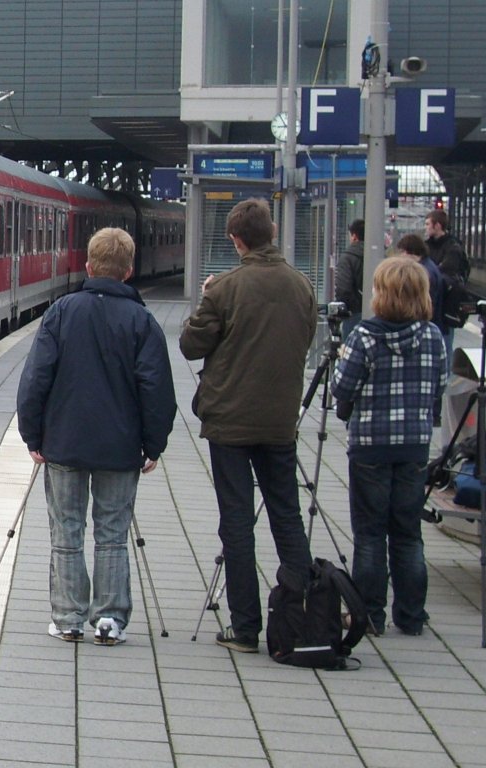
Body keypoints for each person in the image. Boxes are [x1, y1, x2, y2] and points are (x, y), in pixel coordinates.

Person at [17, 227, 176, 646]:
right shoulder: (142, 321)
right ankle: (109, 620)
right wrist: (154, 443)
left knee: (66, 531)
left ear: (88, 266)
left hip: (64, 444)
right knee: (112, 534)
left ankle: (68, 617)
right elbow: (156, 388)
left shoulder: (61, 312)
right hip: (121, 448)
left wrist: (32, 434)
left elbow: (36, 378)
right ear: (128, 271)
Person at [179, 197, 316, 654]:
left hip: (230, 424)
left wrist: (205, 298)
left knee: (237, 522)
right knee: (287, 517)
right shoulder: (302, 286)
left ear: (237, 240)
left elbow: (191, 346)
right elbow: (306, 338)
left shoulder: (225, 289)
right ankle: (298, 616)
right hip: (279, 423)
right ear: (272, 232)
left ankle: (245, 628)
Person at [331, 257, 447, 636]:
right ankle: (412, 616)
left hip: (370, 447)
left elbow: (342, 389)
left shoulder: (364, 336)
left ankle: (370, 616)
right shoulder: (432, 336)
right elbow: (438, 389)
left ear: (382, 294)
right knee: (408, 532)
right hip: (414, 448)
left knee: (369, 533)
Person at [425, 208, 469, 366]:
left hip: (445, 306)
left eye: (428, 224)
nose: (426, 227)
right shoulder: (426, 246)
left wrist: (430, 273)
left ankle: (444, 382)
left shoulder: (453, 247)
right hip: (429, 305)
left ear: (437, 226)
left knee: (444, 346)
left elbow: (447, 272)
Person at [335, 219, 366, 338]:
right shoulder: (379, 256)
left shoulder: (347, 258)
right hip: (377, 313)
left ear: (354, 236)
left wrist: (348, 309)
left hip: (353, 314)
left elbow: (343, 289)